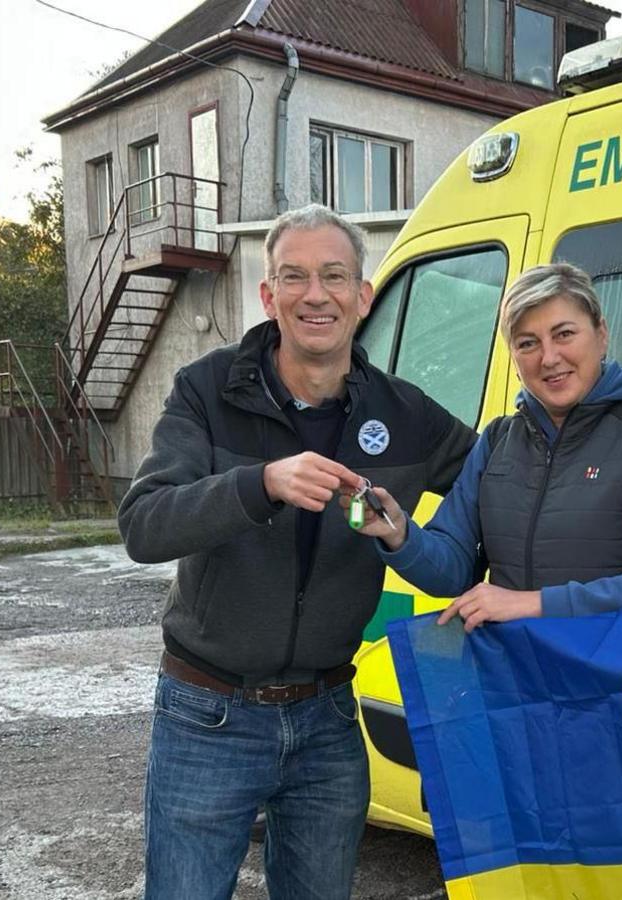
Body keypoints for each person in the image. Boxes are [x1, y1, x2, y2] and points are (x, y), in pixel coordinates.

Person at [118, 204, 475, 899]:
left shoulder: (402, 412)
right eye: (295, 276)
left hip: (328, 717)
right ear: (268, 295)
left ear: (363, 296)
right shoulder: (207, 391)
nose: (317, 294)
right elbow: (145, 525)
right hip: (208, 711)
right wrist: (258, 484)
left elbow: (508, 475)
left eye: (335, 276)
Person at [353, 263, 622, 630]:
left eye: (564, 334)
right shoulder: (496, 441)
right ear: (514, 359)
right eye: (527, 343)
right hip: (513, 681)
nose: (548, 358)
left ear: (601, 335)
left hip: (615, 682)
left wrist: (533, 604)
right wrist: (397, 532)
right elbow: (452, 570)